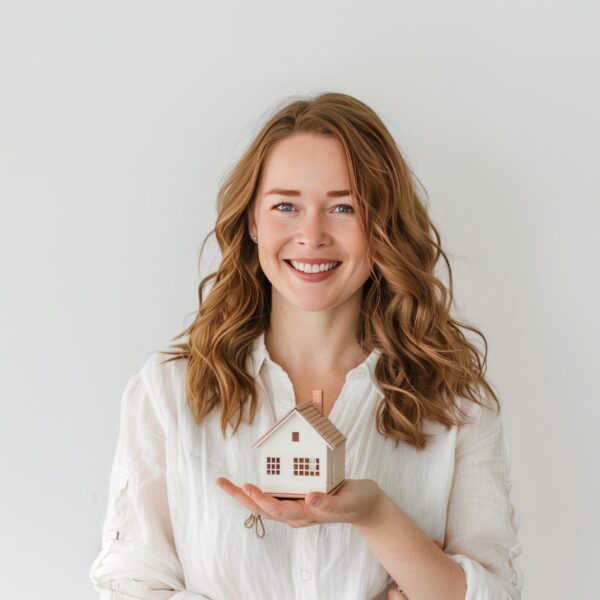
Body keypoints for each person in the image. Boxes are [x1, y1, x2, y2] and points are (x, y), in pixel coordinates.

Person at [89, 92, 523, 599]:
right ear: (253, 221)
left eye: (343, 207)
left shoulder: (456, 403)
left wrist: (378, 515)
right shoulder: (169, 393)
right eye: (286, 206)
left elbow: (496, 594)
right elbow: (130, 583)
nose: (311, 235)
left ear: (382, 226)